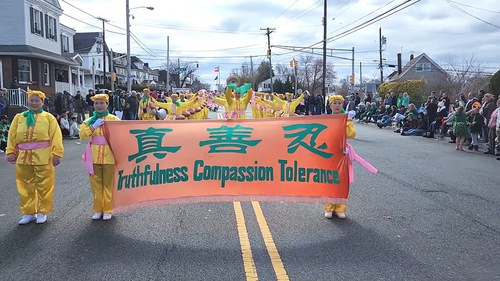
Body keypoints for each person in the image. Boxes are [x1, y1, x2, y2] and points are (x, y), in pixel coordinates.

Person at [5, 90, 64, 225]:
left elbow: (56, 136)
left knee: (44, 185)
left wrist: (57, 154)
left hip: (43, 157)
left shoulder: (49, 118)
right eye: (32, 100)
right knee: (25, 185)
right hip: (23, 158)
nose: (34, 103)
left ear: (42, 102)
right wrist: (10, 152)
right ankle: (29, 212)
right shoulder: (19, 117)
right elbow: (12, 136)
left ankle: (42, 211)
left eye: (37, 100)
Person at [80, 94, 120, 221]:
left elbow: (122, 136)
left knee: (108, 184)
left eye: (101, 103)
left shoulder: (114, 119)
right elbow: (82, 135)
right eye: (96, 103)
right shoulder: (89, 121)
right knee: (96, 184)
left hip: (109, 155)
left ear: (107, 104)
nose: (99, 106)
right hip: (93, 156)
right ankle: (98, 209)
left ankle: (108, 209)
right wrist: (93, 126)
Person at [324, 95, 356, 219]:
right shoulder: (327, 119)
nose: (337, 105)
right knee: (330, 179)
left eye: (339, 103)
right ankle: (329, 208)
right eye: (334, 103)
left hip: (342, 153)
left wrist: (348, 122)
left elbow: (351, 134)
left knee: (342, 181)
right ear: (330, 105)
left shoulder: (346, 118)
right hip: (330, 153)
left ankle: (340, 208)